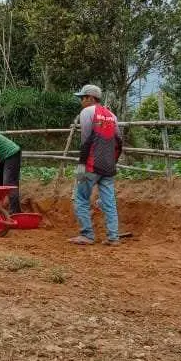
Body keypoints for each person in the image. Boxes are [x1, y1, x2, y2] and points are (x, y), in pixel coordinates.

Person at [69, 84, 122, 246]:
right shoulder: (112, 115)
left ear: (91, 98)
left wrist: (81, 166)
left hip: (90, 164)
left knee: (80, 198)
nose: (81, 101)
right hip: (108, 166)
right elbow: (119, 142)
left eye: (82, 98)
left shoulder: (87, 112)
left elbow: (85, 141)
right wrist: (113, 162)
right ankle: (113, 237)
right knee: (109, 201)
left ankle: (87, 235)